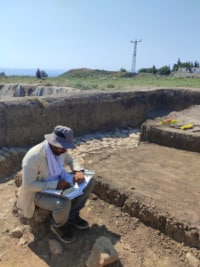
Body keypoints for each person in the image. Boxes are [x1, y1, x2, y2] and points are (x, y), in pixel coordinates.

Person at [17, 125, 94, 243]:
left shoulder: (59, 150)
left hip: (59, 183)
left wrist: (78, 170)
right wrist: (55, 185)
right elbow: (29, 185)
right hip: (37, 193)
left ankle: (72, 216)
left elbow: (70, 159)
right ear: (52, 143)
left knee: (89, 182)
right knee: (63, 204)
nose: (65, 151)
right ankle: (58, 226)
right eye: (63, 147)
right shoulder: (34, 157)